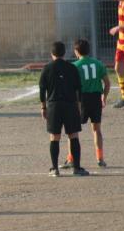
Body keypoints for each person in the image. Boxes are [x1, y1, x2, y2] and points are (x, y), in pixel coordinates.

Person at [39, 41, 89, 177]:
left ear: (52, 53)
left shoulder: (47, 68)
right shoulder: (72, 68)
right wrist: (79, 106)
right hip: (70, 105)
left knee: (54, 137)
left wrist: (43, 107)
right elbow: (79, 89)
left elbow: (42, 90)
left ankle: (55, 169)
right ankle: (77, 168)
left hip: (54, 106)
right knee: (73, 135)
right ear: (64, 53)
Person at [60, 39, 110, 169]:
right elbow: (107, 83)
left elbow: (71, 87)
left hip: (81, 99)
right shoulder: (98, 63)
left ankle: (71, 158)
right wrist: (104, 97)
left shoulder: (74, 66)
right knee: (96, 129)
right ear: (89, 50)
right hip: (95, 98)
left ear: (76, 51)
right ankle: (100, 158)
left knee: (73, 130)